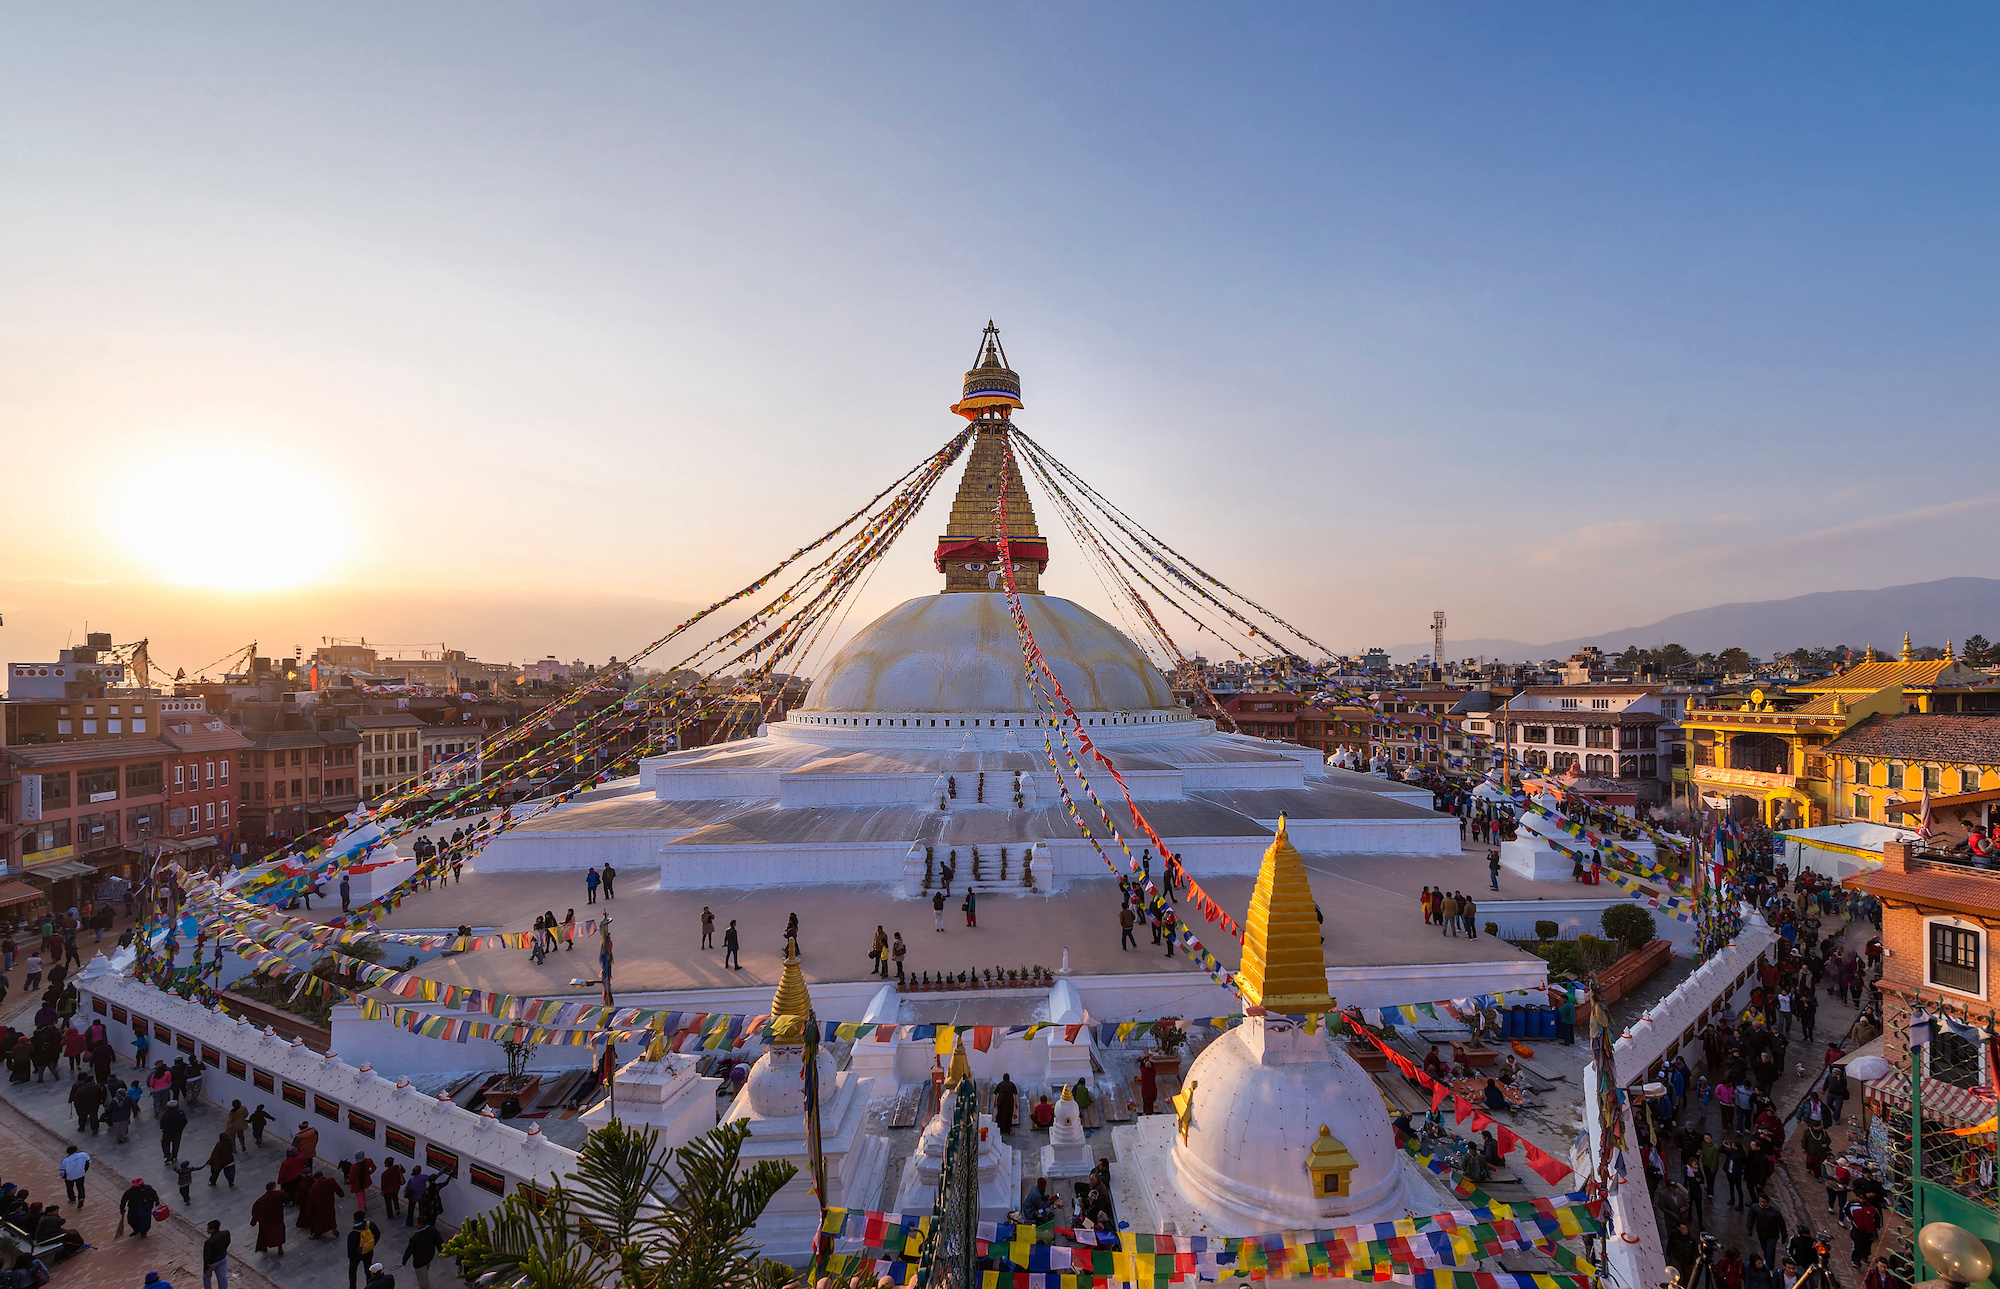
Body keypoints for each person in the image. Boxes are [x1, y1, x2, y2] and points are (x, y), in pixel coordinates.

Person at [402, 1217, 442, 1289]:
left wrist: (404, 1261)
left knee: (423, 1282)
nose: (415, 1224)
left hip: (419, 1262)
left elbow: (409, 1251)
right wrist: (441, 1251)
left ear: (420, 1225)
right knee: (425, 1272)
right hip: (429, 1257)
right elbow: (439, 1242)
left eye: (416, 1223)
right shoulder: (433, 1230)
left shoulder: (415, 1239)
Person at [251, 1182, 288, 1257]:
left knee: (264, 1234)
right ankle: (280, 1248)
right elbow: (287, 1199)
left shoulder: (261, 1200)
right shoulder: (280, 1194)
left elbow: (256, 1211)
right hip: (277, 1218)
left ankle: (264, 1246)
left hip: (266, 1221)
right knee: (279, 1233)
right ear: (274, 1187)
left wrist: (254, 1221)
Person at [347, 1211, 381, 1289]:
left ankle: (353, 1287)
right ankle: (369, 1286)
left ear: (355, 1220)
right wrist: (372, 1245)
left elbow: (351, 1249)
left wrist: (351, 1257)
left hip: (356, 1255)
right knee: (368, 1269)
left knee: (352, 1271)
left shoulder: (353, 1234)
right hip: (368, 1251)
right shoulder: (370, 1225)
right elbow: (378, 1234)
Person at [121, 1175, 161, 1239]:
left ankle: (143, 1233)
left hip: (145, 1206)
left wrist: (156, 1200)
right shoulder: (129, 1192)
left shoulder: (147, 1188)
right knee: (131, 1220)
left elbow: (153, 1194)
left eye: (136, 1185)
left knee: (145, 1220)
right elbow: (124, 1200)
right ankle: (137, 1230)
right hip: (133, 1207)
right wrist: (122, 1208)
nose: (134, 1186)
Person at [202, 1219, 231, 1289]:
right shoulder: (226, 1233)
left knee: (206, 1277)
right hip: (222, 1258)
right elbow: (228, 1242)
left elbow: (206, 1256)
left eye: (208, 1228)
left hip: (213, 1262)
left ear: (213, 1230)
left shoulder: (209, 1242)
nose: (207, 1230)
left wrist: (206, 1267)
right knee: (222, 1276)